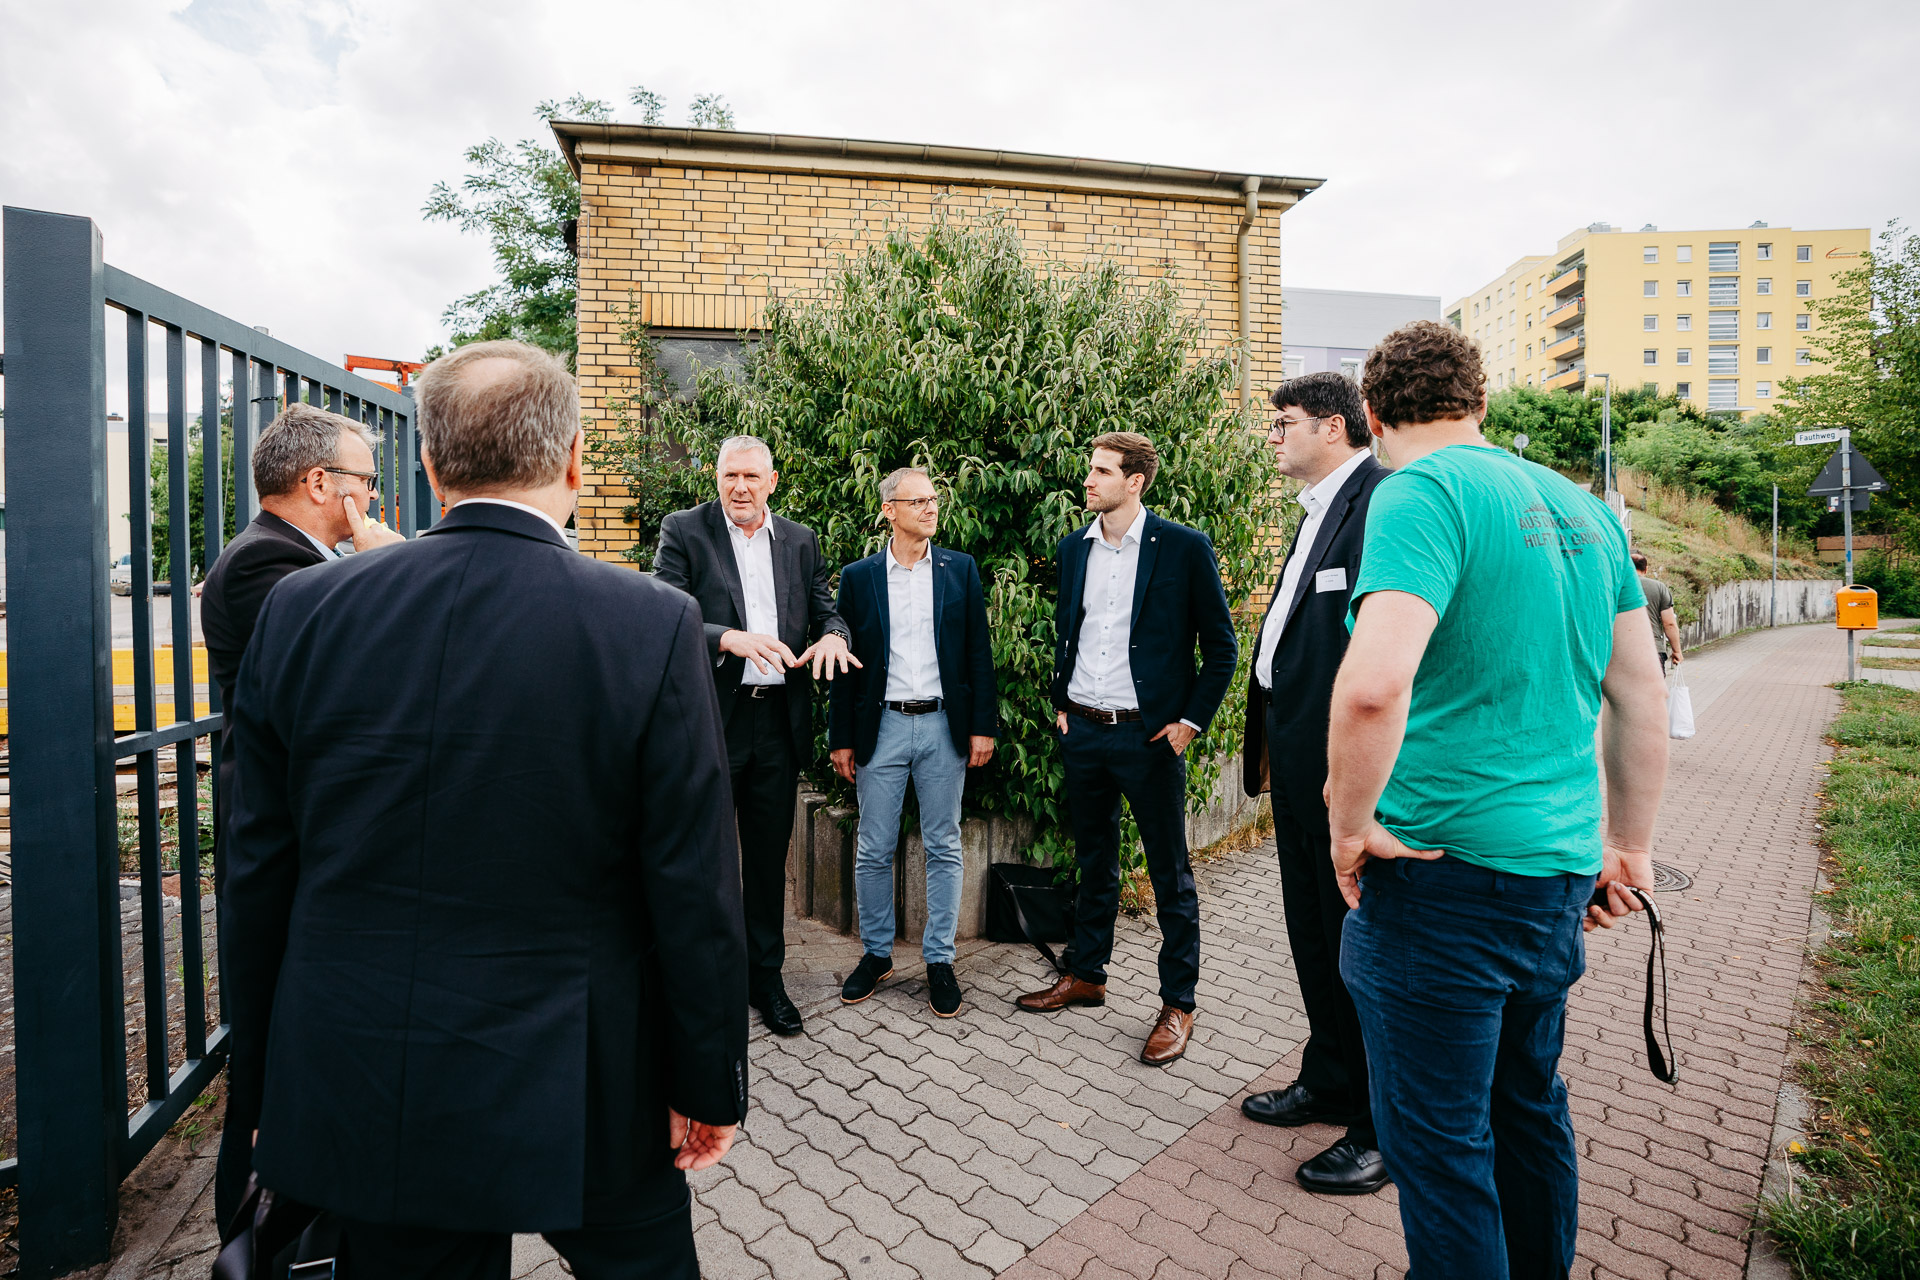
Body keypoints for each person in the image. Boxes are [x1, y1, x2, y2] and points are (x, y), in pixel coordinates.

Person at [225, 340, 748, 1280]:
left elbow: (259, 870)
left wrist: (265, 1080)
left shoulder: (301, 611)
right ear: (577, 459)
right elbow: (694, 879)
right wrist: (706, 1078)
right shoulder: (648, 621)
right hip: (585, 1074)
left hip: (369, 1070)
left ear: (429, 465)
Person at [1325, 321, 1669, 1278]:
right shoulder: (1581, 509)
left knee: (1438, 1148)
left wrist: (1347, 826)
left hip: (1440, 876)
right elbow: (1639, 690)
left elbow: (1371, 686)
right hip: (1555, 874)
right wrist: (1628, 846)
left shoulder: (1419, 494)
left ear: (1372, 414)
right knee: (1527, 1110)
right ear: (1481, 405)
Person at [197, 401, 403, 1237]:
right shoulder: (264, 568)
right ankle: (247, 1240)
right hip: (282, 855)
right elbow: (351, 665)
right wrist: (388, 570)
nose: (376, 499)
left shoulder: (302, 558)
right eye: (368, 482)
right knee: (267, 1064)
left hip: (313, 847)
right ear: (324, 484)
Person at [1016, 433, 1238, 1066]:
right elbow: (1071, 633)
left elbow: (1221, 648)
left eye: (1101, 471)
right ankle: (1087, 974)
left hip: (1149, 737)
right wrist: (1061, 702)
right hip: (1083, 731)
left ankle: (1178, 1002)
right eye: (1090, 469)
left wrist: (1190, 722)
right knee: (1093, 861)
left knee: (1171, 872)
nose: (1088, 481)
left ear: (1135, 481)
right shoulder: (1074, 549)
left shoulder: (1184, 549)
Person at [1236, 372, 1392, 1195]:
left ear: (1334, 427)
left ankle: (1378, 1127)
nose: (1274, 436)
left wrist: (1352, 779)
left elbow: (1379, 655)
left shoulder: (1380, 503)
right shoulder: (1317, 512)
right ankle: (1329, 1079)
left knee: (1359, 949)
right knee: (1311, 934)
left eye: (1284, 423)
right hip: (1297, 771)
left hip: (1344, 778)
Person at [654, 437, 857, 1037]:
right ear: (715, 479)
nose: (739, 487)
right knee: (703, 858)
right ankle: (702, 979)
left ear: (772, 481)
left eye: (750, 476)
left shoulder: (799, 540)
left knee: (768, 862)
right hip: (713, 717)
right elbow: (667, 607)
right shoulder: (685, 530)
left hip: (776, 723)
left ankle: (765, 978)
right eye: (728, 475)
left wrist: (836, 637)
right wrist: (726, 637)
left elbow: (827, 610)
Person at [827, 467, 998, 1017]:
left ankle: (939, 960)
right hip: (884, 727)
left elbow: (978, 653)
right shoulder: (858, 578)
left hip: (944, 727)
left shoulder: (959, 570)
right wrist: (842, 738)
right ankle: (876, 954)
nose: (930, 508)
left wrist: (982, 726)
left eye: (933, 499)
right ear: (889, 511)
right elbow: (845, 665)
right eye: (917, 500)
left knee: (944, 845)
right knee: (874, 846)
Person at [1631, 551, 1684, 672]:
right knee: (1653, 690)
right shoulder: (1659, 587)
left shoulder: (1614, 587)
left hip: (1622, 651)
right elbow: (1669, 623)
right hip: (1653, 649)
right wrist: (1677, 651)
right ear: (1646, 569)